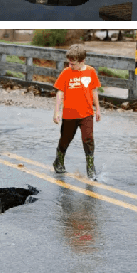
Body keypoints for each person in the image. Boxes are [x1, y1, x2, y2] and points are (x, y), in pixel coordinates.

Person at [52, 44, 101, 179]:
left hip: (87, 113)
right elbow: (60, 92)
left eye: (73, 63)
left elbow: (94, 91)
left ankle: (90, 167)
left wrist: (98, 109)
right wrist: (56, 112)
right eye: (69, 62)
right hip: (69, 114)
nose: (70, 65)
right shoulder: (66, 72)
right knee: (65, 139)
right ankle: (58, 161)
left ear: (82, 61)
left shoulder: (91, 71)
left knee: (88, 139)